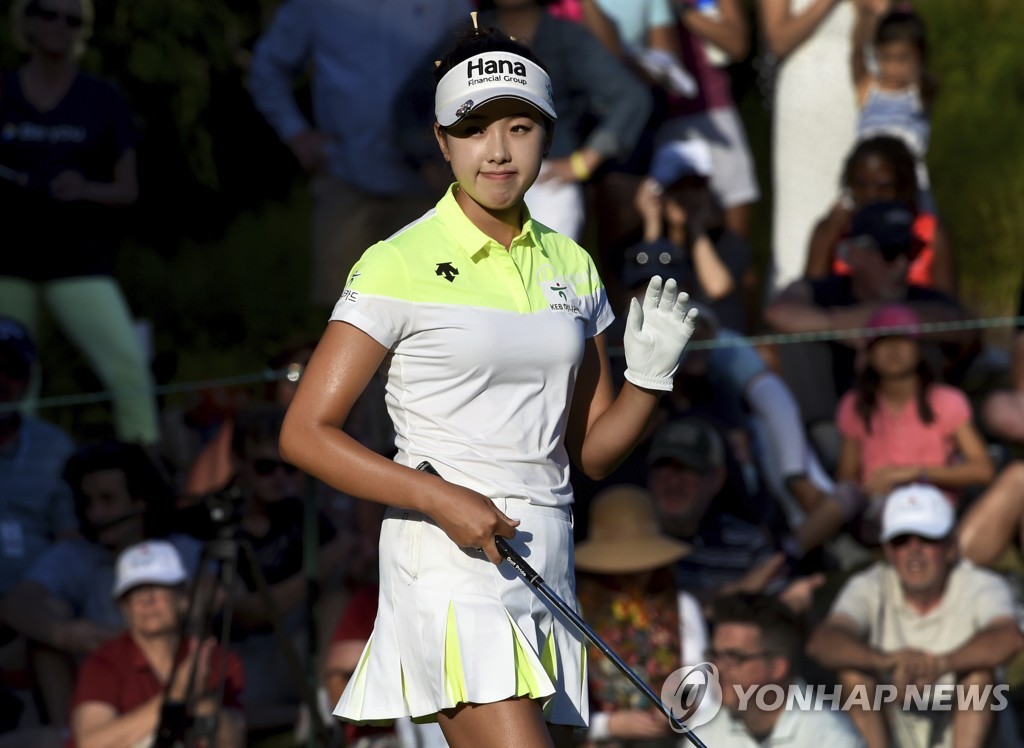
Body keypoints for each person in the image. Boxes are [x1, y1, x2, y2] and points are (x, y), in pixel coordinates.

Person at [278, 25, 697, 748]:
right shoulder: (397, 261)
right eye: (473, 130)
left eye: (519, 127)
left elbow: (593, 452)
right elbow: (304, 433)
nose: (498, 151)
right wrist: (437, 497)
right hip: (449, 559)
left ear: (548, 134)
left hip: (549, 556)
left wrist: (649, 380)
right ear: (442, 142)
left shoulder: (573, 263)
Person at [0, 0, 159, 444]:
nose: (59, 26)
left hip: (78, 259)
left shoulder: (102, 97)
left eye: (72, 19)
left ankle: (142, 466)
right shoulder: (4, 90)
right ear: (28, 20)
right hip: (8, 259)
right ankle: (14, 475)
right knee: (13, 383)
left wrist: (84, 188)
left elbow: (127, 189)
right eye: (48, 14)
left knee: (129, 369)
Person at [248, 0, 471, 310]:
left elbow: (471, 65)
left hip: (429, 184)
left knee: (434, 305)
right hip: (345, 179)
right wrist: (296, 133)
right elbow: (268, 66)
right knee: (342, 306)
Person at [806, 483, 1024, 748]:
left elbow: (1008, 638)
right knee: (854, 676)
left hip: (970, 724)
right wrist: (885, 661)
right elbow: (824, 642)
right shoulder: (869, 584)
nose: (914, 549)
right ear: (888, 551)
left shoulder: (980, 583)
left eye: (927, 538)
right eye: (901, 541)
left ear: (950, 547)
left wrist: (942, 664)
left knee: (978, 677)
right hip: (897, 722)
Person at [2, 440, 202, 727]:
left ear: (141, 501)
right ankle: (69, 735)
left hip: (170, 678)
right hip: (99, 695)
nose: (96, 514)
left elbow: (210, 604)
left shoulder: (182, 550)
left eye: (108, 500)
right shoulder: (77, 555)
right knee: (43, 631)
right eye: (88, 502)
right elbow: (16, 603)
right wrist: (67, 634)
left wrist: (127, 643)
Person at [763, 200, 974, 447]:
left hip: (908, 431)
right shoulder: (822, 290)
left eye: (910, 252)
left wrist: (885, 322)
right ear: (855, 254)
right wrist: (841, 325)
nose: (903, 265)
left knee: (925, 344)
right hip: (834, 419)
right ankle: (824, 439)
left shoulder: (926, 299)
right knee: (796, 341)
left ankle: (919, 436)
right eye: (890, 253)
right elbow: (777, 312)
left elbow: (962, 326)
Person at [830, 304, 993, 544]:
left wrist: (914, 474)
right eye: (883, 342)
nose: (893, 349)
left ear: (920, 350)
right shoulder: (855, 404)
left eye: (902, 340)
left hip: (933, 506)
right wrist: (870, 488)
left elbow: (983, 470)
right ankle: (792, 552)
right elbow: (847, 475)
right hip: (876, 507)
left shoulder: (947, 400)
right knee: (844, 496)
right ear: (868, 354)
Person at [68, 540, 245, 748]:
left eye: (158, 588)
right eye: (135, 592)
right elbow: (91, 743)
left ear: (183, 598)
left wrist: (202, 700)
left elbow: (233, 741)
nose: (147, 600)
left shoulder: (216, 659)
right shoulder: (103, 663)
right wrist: (176, 696)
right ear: (124, 608)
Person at [573, 484, 708, 746]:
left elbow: (702, 687)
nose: (632, 573)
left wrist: (680, 710)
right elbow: (559, 704)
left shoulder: (682, 605)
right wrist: (610, 725)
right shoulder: (576, 610)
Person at [757, 0, 859, 292]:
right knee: (801, 209)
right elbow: (778, 39)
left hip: (857, 87)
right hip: (806, 94)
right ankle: (794, 292)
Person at [696, 593, 865, 748]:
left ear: (778, 668)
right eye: (715, 655)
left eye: (734, 657)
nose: (717, 668)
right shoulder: (703, 728)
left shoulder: (832, 739)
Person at [804, 135, 955, 293]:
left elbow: (947, 303)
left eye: (884, 186)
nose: (871, 194)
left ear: (905, 186)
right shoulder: (835, 231)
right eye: (861, 185)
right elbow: (809, 297)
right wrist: (828, 235)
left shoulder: (929, 234)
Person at [0, 317, 78, 599]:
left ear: (29, 379)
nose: (1, 381)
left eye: (13, 371)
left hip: (38, 604)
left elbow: (70, 538)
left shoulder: (55, 445)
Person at [852, 6, 936, 213]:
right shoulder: (869, 88)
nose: (893, 67)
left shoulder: (919, 91)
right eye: (886, 57)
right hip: (868, 186)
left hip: (909, 188)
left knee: (929, 228)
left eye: (903, 58)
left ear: (919, 56)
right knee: (837, 221)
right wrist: (865, 16)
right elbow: (856, 54)